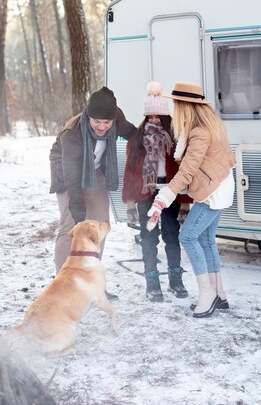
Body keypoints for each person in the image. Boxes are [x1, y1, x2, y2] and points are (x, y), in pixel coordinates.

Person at [147, 82, 235, 318]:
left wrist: (165, 196)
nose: (174, 109)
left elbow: (187, 170)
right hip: (218, 186)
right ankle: (220, 295)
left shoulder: (199, 132)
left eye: (176, 104)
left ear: (186, 106)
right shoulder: (209, 123)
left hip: (212, 192)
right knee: (206, 239)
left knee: (187, 236)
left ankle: (207, 295)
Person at [49, 86, 136, 299]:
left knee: (100, 227)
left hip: (94, 170)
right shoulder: (73, 134)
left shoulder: (116, 118)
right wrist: (78, 212)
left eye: (106, 123)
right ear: (88, 115)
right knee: (71, 226)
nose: (102, 127)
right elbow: (71, 177)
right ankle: (64, 286)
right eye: (97, 121)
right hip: (66, 172)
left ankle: (92, 282)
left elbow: (133, 133)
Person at [122, 82, 191, 302]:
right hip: (146, 194)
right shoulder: (136, 139)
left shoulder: (175, 139)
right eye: (150, 116)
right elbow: (130, 169)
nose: (154, 120)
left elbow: (182, 170)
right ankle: (152, 284)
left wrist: (185, 202)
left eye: (158, 116)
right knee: (149, 238)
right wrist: (130, 201)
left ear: (166, 118)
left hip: (169, 192)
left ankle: (176, 280)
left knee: (172, 236)